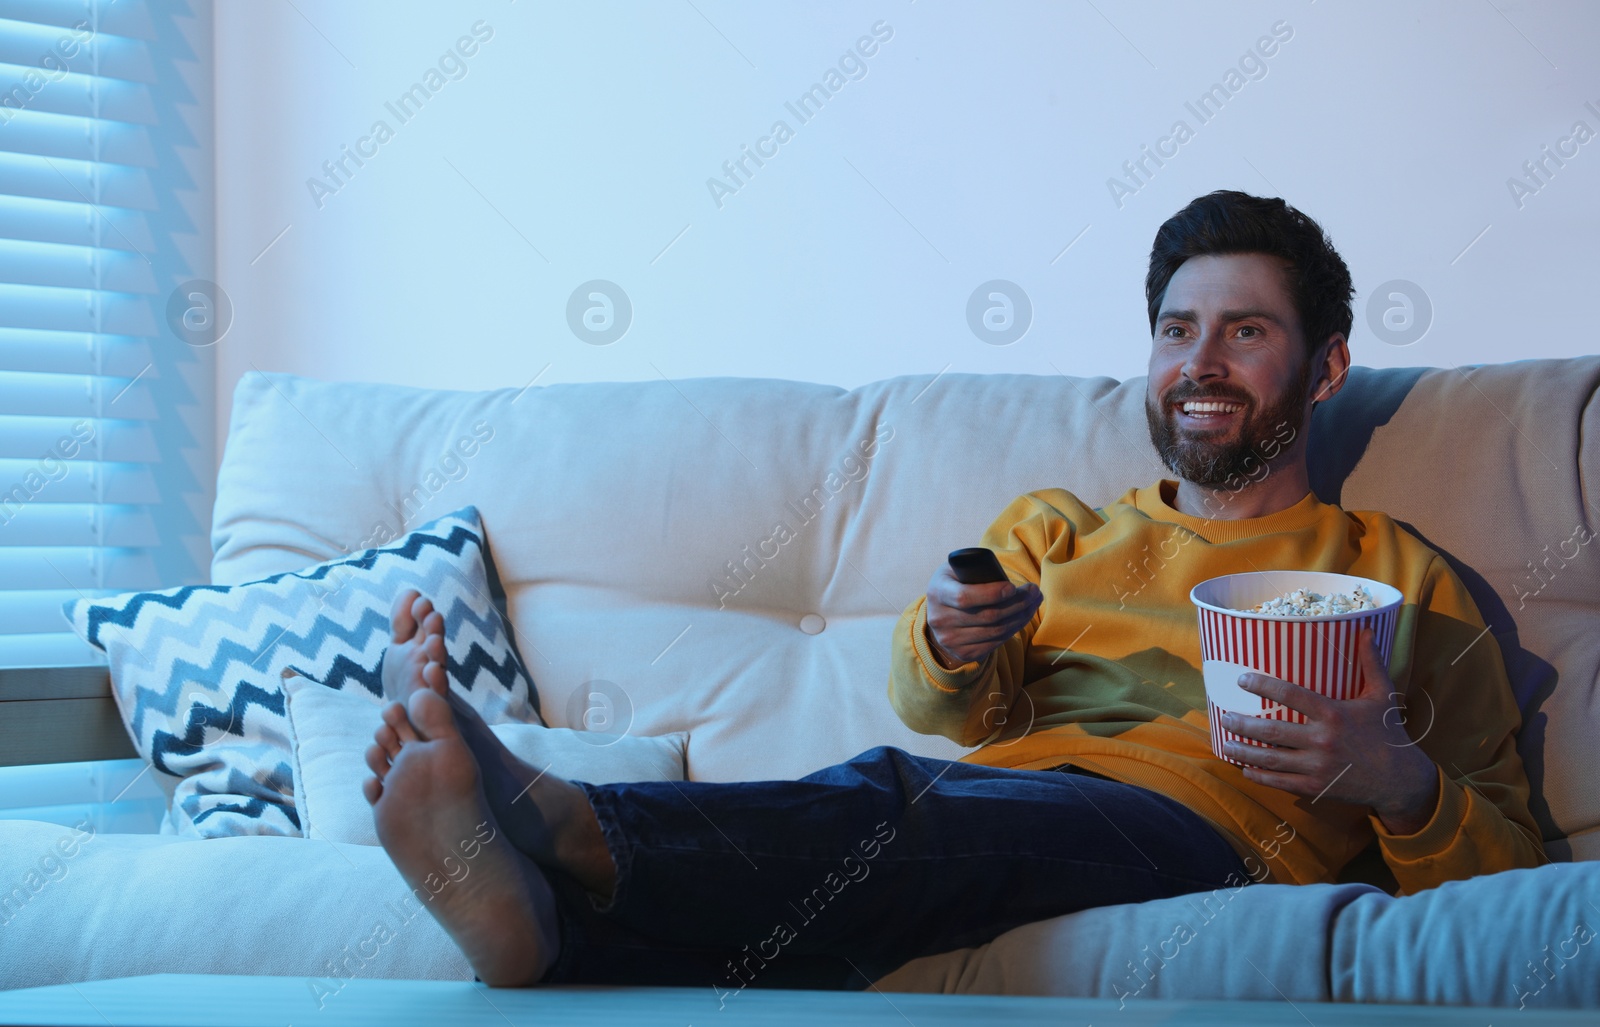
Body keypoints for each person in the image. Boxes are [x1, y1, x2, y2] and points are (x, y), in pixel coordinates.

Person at [361, 190, 1544, 991]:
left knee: (901, 806)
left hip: (1220, 834)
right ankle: (544, 932)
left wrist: (1397, 780)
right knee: (920, 826)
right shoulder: (1057, 532)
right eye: (1177, 329)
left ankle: (563, 822)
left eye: (1245, 331)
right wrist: (943, 641)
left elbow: (1511, 874)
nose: (1199, 362)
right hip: (1004, 803)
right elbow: (942, 716)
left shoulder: (1395, 579)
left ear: (1326, 365)